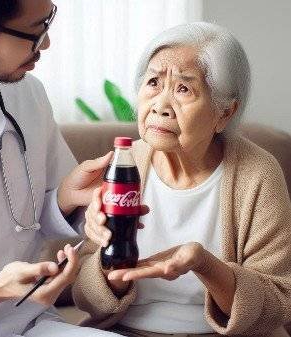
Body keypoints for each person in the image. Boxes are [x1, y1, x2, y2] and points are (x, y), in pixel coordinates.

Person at [73, 22, 291, 336]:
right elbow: (86, 297)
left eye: (183, 89)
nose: (160, 106)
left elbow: (279, 301)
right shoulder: (123, 165)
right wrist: (111, 267)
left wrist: (206, 266)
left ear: (224, 113)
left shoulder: (258, 173)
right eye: (153, 83)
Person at [0, 0, 122, 336]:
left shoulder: (26, 95)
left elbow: (21, 217)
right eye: (35, 32)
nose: (46, 44)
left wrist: (64, 199)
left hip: (25, 322)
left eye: (49, 22)